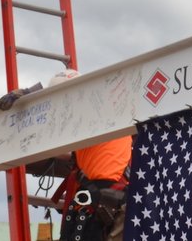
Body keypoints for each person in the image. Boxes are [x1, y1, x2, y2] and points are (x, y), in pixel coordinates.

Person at [47, 69, 132, 241]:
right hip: (113, 198)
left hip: (105, 196)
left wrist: (29, 96)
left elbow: (54, 143)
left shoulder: (88, 115)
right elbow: (63, 152)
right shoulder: (102, 117)